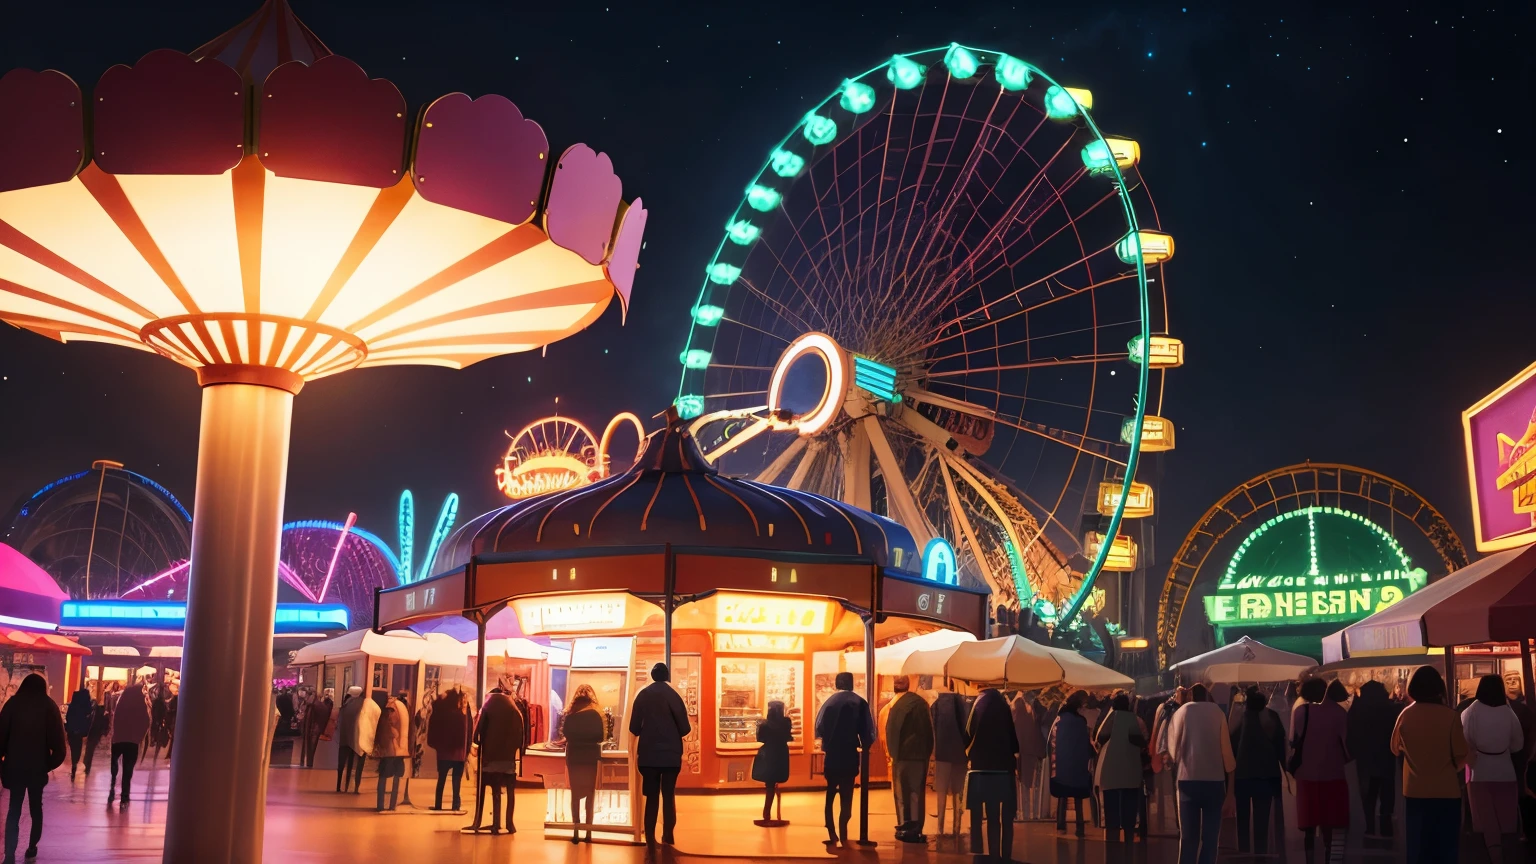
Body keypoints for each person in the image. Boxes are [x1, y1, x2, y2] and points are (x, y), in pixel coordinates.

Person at [1391, 665, 1468, 864]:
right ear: (1439, 688)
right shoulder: (1451, 716)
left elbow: (1395, 748)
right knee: (1445, 848)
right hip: (1447, 791)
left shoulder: (1405, 715)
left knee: (1418, 848)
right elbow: (1461, 756)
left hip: (1414, 791)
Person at [0, 674, 65, 863]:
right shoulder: (49, 706)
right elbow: (59, 747)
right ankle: (31, 847)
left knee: (14, 809)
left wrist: (3, 764)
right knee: (36, 809)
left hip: (15, 768)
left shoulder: (12, 705)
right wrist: (47, 764)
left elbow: (1, 737)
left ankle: (9, 854)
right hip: (37, 769)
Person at [1167, 683, 1234, 864]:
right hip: (1215, 782)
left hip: (1187, 780)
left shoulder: (1181, 712)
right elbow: (1227, 752)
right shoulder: (1217, 713)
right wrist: (1230, 789)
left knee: (1188, 839)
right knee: (1211, 839)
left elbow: (1172, 750)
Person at [1462, 674, 1523, 864]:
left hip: (1477, 771)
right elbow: (1517, 745)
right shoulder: (1509, 712)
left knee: (1485, 821)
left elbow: (1465, 741)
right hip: (1506, 770)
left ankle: (1493, 857)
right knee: (1506, 821)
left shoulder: (1471, 712)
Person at [627, 663, 690, 846]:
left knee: (652, 796)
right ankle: (668, 835)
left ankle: (651, 836)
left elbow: (634, 728)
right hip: (671, 756)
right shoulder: (674, 696)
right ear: (667, 675)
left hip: (648, 757)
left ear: (652, 675)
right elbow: (685, 728)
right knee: (668, 795)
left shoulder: (643, 696)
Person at [1290, 677, 1350, 861]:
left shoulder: (1301, 711)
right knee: (1329, 822)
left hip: (1306, 774)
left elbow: (1293, 740)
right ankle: (1328, 855)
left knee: (1309, 823)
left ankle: (1309, 857)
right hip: (1332, 773)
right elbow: (1347, 746)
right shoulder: (1339, 713)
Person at [814, 671, 873, 847]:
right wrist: (866, 745)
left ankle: (831, 831)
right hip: (849, 754)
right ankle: (844, 829)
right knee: (847, 793)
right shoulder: (859, 702)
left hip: (832, 754)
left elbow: (820, 728)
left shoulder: (829, 703)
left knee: (831, 792)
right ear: (852, 683)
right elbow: (867, 731)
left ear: (836, 684)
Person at [1230, 686, 1286, 855]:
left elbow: (1230, 747)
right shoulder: (1272, 717)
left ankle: (1244, 853)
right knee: (1262, 821)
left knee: (1242, 820)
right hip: (1266, 777)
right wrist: (1286, 771)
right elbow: (1280, 748)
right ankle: (1261, 854)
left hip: (1242, 777)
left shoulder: (1238, 719)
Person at [965, 687, 1019, 862]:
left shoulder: (979, 704)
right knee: (1007, 816)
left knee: (992, 812)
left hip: (984, 768)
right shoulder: (1003, 706)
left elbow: (968, 733)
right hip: (1005, 768)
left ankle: (994, 853)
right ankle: (1007, 854)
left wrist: (969, 754)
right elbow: (1013, 738)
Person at [1347, 679, 1402, 837]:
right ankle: (1386, 826)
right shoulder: (1391, 710)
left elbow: (1350, 734)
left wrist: (1353, 753)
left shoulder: (1357, 710)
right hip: (1386, 757)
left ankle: (1369, 826)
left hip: (1365, 759)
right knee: (1387, 793)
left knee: (1368, 795)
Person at [884, 676, 932, 842]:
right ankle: (916, 827)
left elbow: (891, 732)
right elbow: (928, 731)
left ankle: (904, 825)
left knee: (901, 794)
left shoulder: (896, 706)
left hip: (902, 757)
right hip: (919, 757)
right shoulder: (920, 703)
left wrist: (893, 755)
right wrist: (927, 753)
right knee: (916, 794)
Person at [1095, 691, 1146, 843]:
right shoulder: (1132, 719)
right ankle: (1129, 837)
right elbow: (1140, 742)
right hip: (1130, 773)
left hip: (1110, 773)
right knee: (1129, 809)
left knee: (1112, 812)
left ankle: (1113, 841)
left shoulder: (1110, 718)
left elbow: (1100, 738)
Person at [470, 687, 524, 833]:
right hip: (509, 760)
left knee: (495, 790)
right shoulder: (514, 708)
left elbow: (476, 735)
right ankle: (510, 824)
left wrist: (480, 743)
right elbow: (521, 735)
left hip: (491, 759)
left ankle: (496, 824)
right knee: (510, 792)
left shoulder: (487, 706)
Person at [562, 688, 605, 842]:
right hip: (590, 758)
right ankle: (588, 833)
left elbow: (566, 734)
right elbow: (600, 737)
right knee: (589, 795)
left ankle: (575, 831)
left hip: (574, 758)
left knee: (575, 794)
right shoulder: (595, 715)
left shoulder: (571, 716)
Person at [1048, 691, 1092, 837]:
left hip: (1062, 763)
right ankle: (1080, 827)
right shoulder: (1081, 722)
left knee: (1063, 795)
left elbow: (1051, 742)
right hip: (1078, 764)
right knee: (1078, 796)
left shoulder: (1059, 720)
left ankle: (1061, 825)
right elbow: (1085, 743)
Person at [931, 685, 969, 838]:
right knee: (957, 792)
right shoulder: (963, 705)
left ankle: (940, 827)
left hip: (942, 754)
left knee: (941, 792)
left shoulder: (935, 706)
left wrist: (934, 752)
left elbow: (932, 730)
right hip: (960, 755)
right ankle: (957, 827)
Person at [108, 679, 151, 807]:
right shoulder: (140, 705)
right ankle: (124, 797)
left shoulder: (121, 703)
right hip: (132, 741)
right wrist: (139, 736)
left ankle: (112, 785)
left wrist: (115, 733)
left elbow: (115, 720)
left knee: (115, 764)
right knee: (128, 770)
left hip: (118, 739)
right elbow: (146, 722)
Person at [428, 688, 472, 812]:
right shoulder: (464, 715)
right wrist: (467, 750)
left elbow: (435, 709)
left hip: (444, 753)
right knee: (456, 781)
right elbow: (469, 733)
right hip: (459, 754)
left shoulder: (444, 712)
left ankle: (438, 805)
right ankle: (455, 806)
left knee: (441, 780)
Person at [751, 700, 791, 826]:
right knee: (775, 781)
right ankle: (768, 812)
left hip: (768, 753)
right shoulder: (786, 722)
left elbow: (760, 738)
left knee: (769, 783)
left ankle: (766, 813)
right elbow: (788, 736)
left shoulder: (763, 724)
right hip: (781, 753)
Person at [371, 689, 410, 812]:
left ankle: (381, 805)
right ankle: (391, 805)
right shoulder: (399, 709)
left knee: (383, 777)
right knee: (395, 777)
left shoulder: (383, 714)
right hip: (395, 752)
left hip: (387, 752)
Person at [1012, 691, 1046, 820]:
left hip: (1018, 755)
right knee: (1031, 783)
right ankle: (1032, 813)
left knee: (1019, 785)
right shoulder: (1030, 718)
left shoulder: (1014, 718)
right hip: (1030, 754)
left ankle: (1020, 812)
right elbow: (1036, 736)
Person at [337, 686, 376, 793]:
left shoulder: (346, 705)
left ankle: (340, 786)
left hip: (345, 739)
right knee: (358, 764)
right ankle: (355, 788)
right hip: (359, 739)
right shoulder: (364, 705)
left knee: (344, 764)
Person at [64, 687, 92, 781]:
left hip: (72, 730)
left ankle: (74, 765)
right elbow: (88, 713)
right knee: (78, 748)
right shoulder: (85, 705)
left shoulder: (73, 704)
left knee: (73, 748)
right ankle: (74, 764)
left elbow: (68, 716)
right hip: (79, 730)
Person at [301, 687, 332, 768]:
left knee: (310, 749)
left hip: (313, 729)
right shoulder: (315, 704)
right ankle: (308, 764)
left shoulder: (311, 704)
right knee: (310, 749)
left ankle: (308, 765)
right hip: (314, 728)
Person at [84, 691, 109, 777]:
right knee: (88, 749)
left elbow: (104, 723)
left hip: (94, 733)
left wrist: (103, 732)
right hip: (92, 732)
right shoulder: (93, 711)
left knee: (90, 750)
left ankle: (87, 767)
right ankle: (86, 764)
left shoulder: (100, 711)